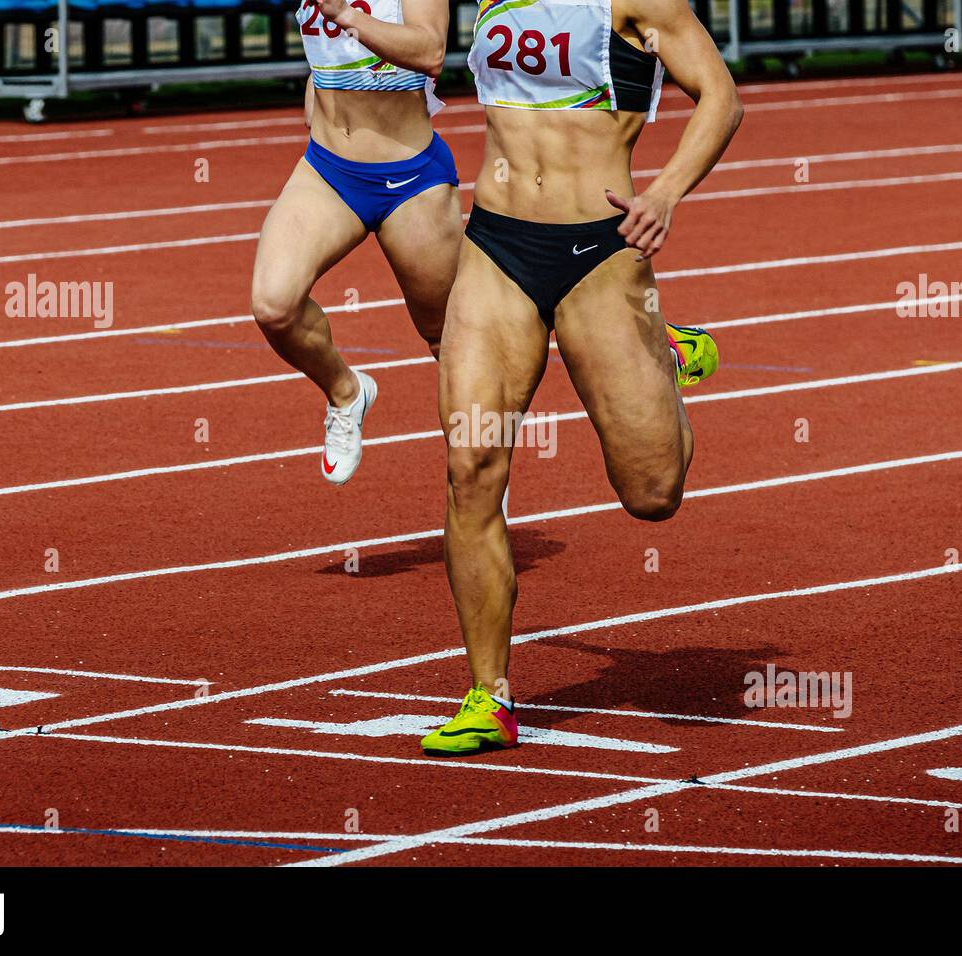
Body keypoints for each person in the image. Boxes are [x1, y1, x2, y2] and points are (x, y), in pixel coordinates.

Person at [420, 0, 744, 756]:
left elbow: (722, 99)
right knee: (471, 467)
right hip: (496, 246)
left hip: (600, 249)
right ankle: (488, 696)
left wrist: (664, 193)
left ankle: (664, 354)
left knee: (652, 493)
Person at [251, 0, 461, 484]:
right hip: (328, 170)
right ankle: (347, 391)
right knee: (273, 305)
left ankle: (482, 484)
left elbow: (430, 49)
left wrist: (346, 14)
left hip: (411, 178)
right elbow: (331, 50)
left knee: (447, 340)